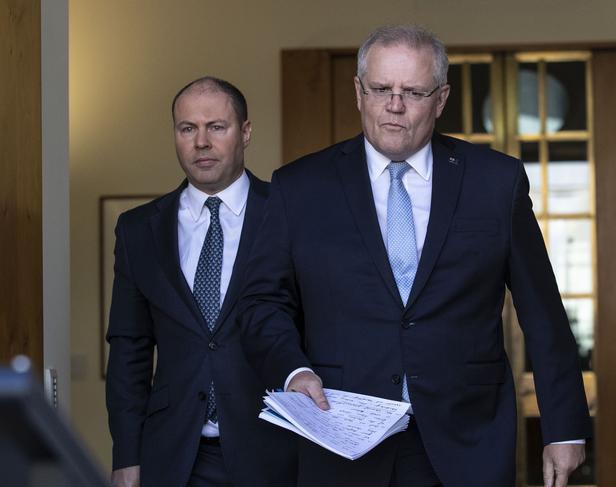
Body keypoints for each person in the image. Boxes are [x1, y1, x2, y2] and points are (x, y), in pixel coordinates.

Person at [238, 25, 591, 487]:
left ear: (441, 99)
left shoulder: (496, 183)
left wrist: (564, 427)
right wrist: (293, 370)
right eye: (381, 89)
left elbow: (542, 312)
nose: (395, 105)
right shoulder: (300, 187)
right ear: (358, 92)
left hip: (467, 438)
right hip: (342, 438)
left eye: (413, 92)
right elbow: (262, 301)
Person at [105, 77, 296, 487]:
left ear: (245, 132)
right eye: (187, 128)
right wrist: (126, 456)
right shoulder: (138, 230)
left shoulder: (289, 214)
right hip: (174, 456)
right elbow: (129, 352)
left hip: (276, 451)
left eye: (217, 127)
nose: (201, 142)